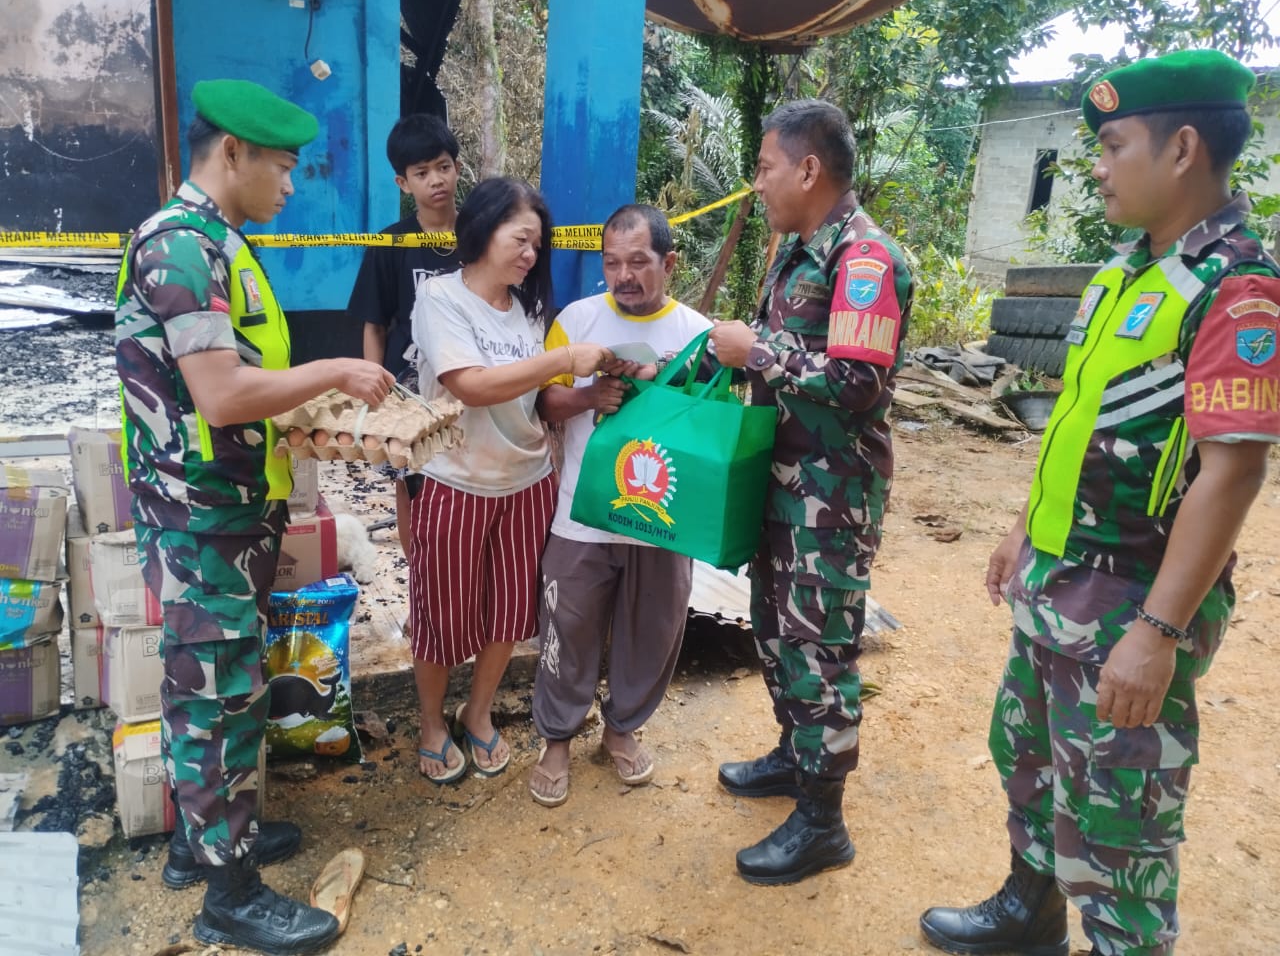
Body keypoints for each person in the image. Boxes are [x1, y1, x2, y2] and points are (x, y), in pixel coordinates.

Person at [919, 49, 1278, 956]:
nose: (1097, 166)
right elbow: (1081, 422)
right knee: (1031, 758)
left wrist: (1157, 633)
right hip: (1058, 580)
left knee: (1120, 819)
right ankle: (1030, 911)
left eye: (1114, 146)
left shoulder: (1235, 289)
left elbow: (1233, 473)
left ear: (1183, 149)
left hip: (1129, 601)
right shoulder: (1127, 270)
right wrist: (1021, 529)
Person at [115, 79, 394, 955]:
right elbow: (224, 393)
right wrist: (335, 372)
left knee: (220, 683)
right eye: (283, 164)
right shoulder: (181, 247)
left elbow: (244, 378)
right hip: (201, 518)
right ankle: (229, 894)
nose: (292, 183)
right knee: (216, 692)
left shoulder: (221, 242)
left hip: (230, 510)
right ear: (232, 152)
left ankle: (204, 841)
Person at [708, 99, 914, 885]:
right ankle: (796, 758)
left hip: (830, 494)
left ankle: (823, 822)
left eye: (765, 168)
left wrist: (757, 351)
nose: (757, 182)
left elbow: (858, 382)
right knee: (773, 628)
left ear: (807, 169)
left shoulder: (864, 259)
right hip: (782, 480)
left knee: (818, 646)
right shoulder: (798, 251)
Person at [407, 177, 613, 784]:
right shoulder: (440, 297)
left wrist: (594, 380)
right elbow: (469, 385)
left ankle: (477, 713)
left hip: (528, 483)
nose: (530, 254)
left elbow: (537, 398)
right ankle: (431, 724)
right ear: (483, 228)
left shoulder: (529, 309)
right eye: (520, 239)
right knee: (442, 615)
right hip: (456, 481)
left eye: (536, 245)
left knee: (508, 612)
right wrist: (561, 359)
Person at [527, 204, 711, 807]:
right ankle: (557, 738)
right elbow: (544, 404)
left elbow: (709, 424)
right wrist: (590, 397)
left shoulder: (697, 333)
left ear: (669, 262)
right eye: (611, 262)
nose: (623, 275)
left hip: (662, 521)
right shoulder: (576, 320)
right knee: (567, 625)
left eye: (638, 261)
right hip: (582, 515)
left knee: (654, 630)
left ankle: (622, 729)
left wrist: (661, 385)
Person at [347, 113, 462, 558]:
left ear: (457, 168)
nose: (436, 180)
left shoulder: (482, 237)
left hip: (470, 386)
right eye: (422, 172)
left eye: (443, 167)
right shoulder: (389, 244)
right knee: (412, 482)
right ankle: (421, 575)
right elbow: (374, 324)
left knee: (464, 481)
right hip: (409, 389)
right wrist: (375, 397)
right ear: (403, 183)